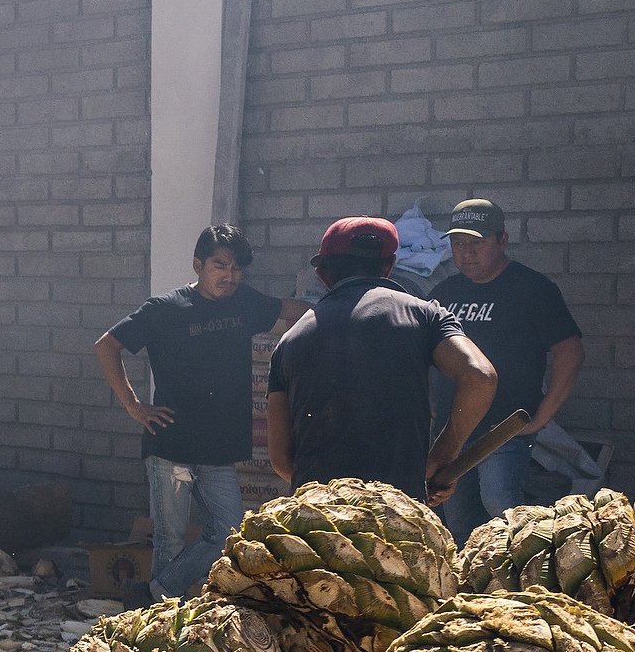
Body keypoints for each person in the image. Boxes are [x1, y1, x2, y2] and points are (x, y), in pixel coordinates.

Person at [95, 224, 304, 598]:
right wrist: (133, 404)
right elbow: (107, 346)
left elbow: (296, 310)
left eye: (237, 269)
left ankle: (152, 595)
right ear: (198, 265)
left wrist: (338, 313)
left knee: (230, 530)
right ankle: (158, 620)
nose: (230, 276)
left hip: (218, 448)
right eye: (220, 266)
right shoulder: (165, 308)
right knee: (170, 537)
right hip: (172, 444)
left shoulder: (244, 302)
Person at [267, 217, 498, 504]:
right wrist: (443, 455)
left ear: (322, 273)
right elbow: (479, 376)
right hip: (398, 511)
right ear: (389, 266)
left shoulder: (290, 341)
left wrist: (335, 492)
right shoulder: (424, 316)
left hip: (318, 517)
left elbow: (280, 459)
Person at [428, 197, 584, 536]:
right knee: (456, 519)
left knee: (501, 508)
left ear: (503, 240)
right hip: (452, 430)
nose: (466, 253)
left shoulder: (532, 289)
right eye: (458, 244)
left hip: (503, 429)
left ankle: (520, 578)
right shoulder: (444, 293)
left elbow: (569, 352)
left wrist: (541, 417)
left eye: (477, 243)